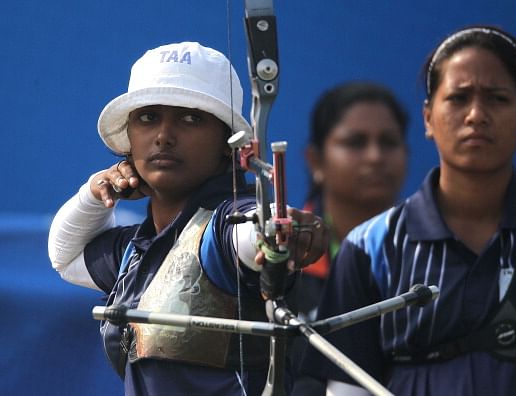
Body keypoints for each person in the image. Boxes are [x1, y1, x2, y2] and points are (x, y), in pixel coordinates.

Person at [300, 25, 516, 396]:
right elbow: (347, 390)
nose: (476, 115)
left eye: (498, 98)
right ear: (428, 118)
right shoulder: (369, 247)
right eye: (458, 98)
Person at [48, 41, 328, 396]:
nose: (164, 136)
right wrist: (94, 191)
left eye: (191, 118)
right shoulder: (139, 248)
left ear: (229, 145)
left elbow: (250, 230)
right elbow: (66, 256)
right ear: (129, 140)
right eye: (148, 117)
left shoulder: (225, 225)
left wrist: (276, 231)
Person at [288, 82, 409, 395]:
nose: (375, 156)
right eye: (356, 142)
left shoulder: (427, 258)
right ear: (316, 160)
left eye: (388, 142)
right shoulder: (280, 258)